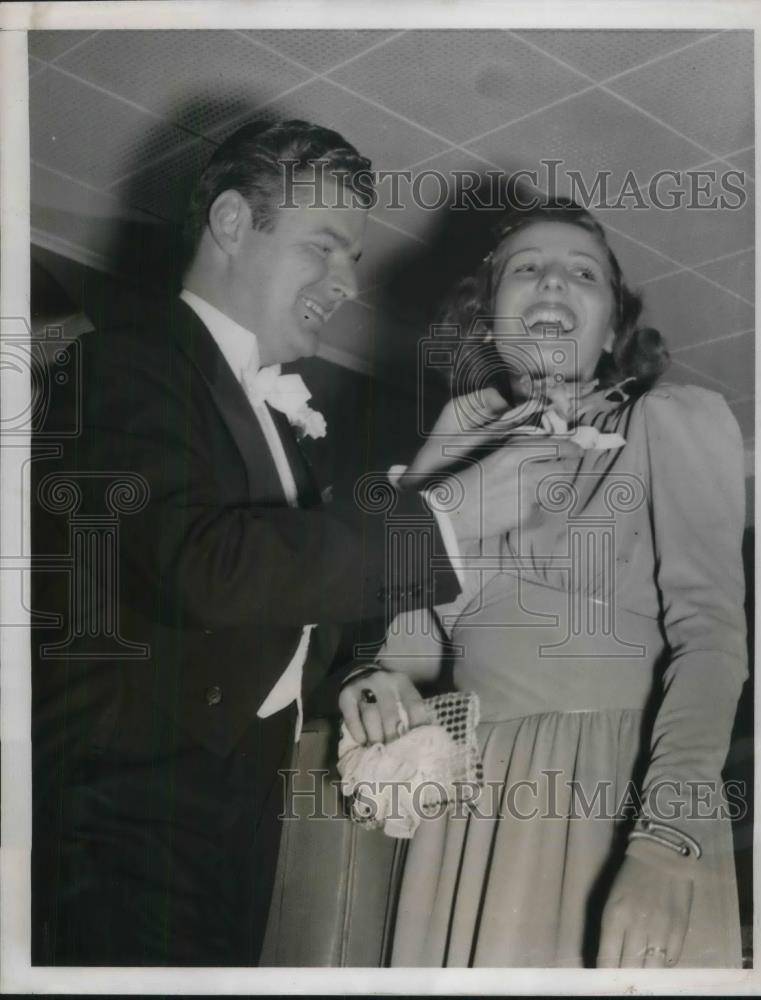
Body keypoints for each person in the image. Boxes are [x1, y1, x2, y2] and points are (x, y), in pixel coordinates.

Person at [30, 119, 537, 967]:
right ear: (232, 224)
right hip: (122, 809)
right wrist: (443, 518)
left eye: (353, 260)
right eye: (325, 248)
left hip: (235, 811)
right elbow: (206, 568)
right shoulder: (124, 365)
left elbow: (258, 606)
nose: (346, 281)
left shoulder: (281, 429)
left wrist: (353, 678)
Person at [354, 200, 747, 968]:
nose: (552, 284)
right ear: (488, 315)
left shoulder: (667, 421)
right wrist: (375, 684)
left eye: (583, 273)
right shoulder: (451, 446)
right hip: (466, 806)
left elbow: (711, 641)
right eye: (526, 269)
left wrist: (665, 840)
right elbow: (405, 648)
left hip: (608, 787)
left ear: (611, 330)